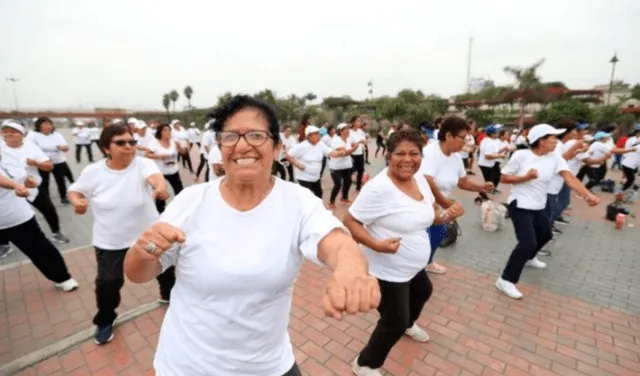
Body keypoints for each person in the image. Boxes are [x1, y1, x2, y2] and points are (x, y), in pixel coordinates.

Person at [123, 95, 380, 376]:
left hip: (267, 366)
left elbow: (336, 241)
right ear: (219, 148)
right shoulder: (191, 200)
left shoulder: (297, 202)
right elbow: (138, 274)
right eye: (231, 136)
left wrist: (351, 269)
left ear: (278, 147)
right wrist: (142, 251)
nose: (243, 145)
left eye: (256, 135)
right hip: (187, 365)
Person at [345, 129, 462, 376]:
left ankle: (407, 323)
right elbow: (351, 220)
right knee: (393, 321)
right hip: (386, 268)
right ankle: (365, 363)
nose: (407, 159)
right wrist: (376, 245)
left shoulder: (420, 180)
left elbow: (430, 218)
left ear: (421, 155)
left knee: (424, 291)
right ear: (388, 155)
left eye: (414, 153)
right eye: (400, 153)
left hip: (412, 266)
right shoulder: (379, 188)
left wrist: (445, 216)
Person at [67, 124, 175, 344]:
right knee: (108, 282)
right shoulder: (93, 172)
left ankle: (168, 295)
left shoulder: (142, 164)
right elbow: (75, 190)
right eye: (121, 143)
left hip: (147, 237)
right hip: (111, 242)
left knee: (166, 269)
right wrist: (76, 201)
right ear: (107, 148)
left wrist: (160, 188)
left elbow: (155, 177)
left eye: (131, 142)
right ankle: (105, 320)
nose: (128, 147)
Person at [496, 124, 599, 299]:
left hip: (539, 206)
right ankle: (506, 280)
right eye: (553, 137)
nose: (556, 141)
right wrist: (525, 177)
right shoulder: (521, 155)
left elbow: (570, 178)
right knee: (527, 243)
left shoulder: (555, 158)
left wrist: (586, 194)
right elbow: (503, 177)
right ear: (541, 141)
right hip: (520, 205)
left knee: (545, 235)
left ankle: (529, 258)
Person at [420, 116, 492, 274]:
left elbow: (463, 182)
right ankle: (417, 266)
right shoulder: (430, 152)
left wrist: (482, 187)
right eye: (463, 138)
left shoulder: (456, 157)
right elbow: (427, 180)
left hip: (440, 205)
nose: (466, 142)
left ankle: (428, 262)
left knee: (439, 233)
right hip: (422, 202)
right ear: (448, 136)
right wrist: (444, 202)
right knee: (424, 236)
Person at [0, 149, 78, 290]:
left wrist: (26, 181)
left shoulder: (7, 155)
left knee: (39, 249)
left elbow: (20, 175)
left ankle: (62, 277)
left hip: (15, 216)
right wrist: (14, 185)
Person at [0, 122, 70, 244]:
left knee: (49, 210)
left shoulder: (31, 147)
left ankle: (56, 232)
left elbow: (49, 166)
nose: (8, 134)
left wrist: (36, 163)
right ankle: (4, 244)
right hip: (8, 190)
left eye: (13, 131)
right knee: (5, 216)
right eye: (5, 131)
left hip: (32, 187)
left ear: (22, 135)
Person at [285, 125, 344, 198]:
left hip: (316, 178)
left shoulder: (320, 144)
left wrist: (341, 153)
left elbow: (331, 153)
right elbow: (288, 155)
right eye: (316, 134)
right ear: (309, 136)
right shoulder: (302, 146)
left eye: (319, 134)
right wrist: (298, 164)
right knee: (307, 197)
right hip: (304, 178)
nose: (319, 136)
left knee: (319, 194)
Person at [27, 117, 75, 205]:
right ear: (39, 125)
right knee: (44, 181)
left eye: (49, 124)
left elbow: (66, 146)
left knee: (61, 180)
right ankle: (46, 199)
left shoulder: (56, 134)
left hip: (59, 161)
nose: (48, 126)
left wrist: (63, 148)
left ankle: (63, 197)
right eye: (45, 124)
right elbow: (29, 148)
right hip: (43, 163)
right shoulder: (33, 135)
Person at [146, 123, 184, 213]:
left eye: (169, 130)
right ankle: (161, 212)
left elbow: (183, 153)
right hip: (160, 172)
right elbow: (147, 154)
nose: (168, 132)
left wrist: (181, 148)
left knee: (180, 191)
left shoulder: (174, 141)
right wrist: (159, 156)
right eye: (165, 130)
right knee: (160, 193)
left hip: (173, 171)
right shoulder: (154, 142)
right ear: (160, 132)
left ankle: (180, 209)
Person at [328, 123, 358, 208]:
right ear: (340, 131)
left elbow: (351, 145)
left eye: (348, 129)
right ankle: (331, 201)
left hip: (346, 165)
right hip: (336, 167)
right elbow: (345, 153)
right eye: (346, 129)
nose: (348, 131)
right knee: (338, 184)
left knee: (348, 182)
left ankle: (344, 198)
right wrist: (355, 148)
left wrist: (355, 144)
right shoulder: (336, 140)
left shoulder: (347, 139)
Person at [348, 116, 367, 192]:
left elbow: (364, 140)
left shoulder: (361, 132)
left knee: (361, 170)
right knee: (350, 172)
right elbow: (350, 143)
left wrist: (364, 143)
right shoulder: (349, 132)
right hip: (352, 154)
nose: (360, 123)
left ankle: (358, 187)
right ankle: (346, 186)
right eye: (358, 121)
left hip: (360, 153)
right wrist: (360, 142)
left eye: (360, 121)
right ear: (353, 122)